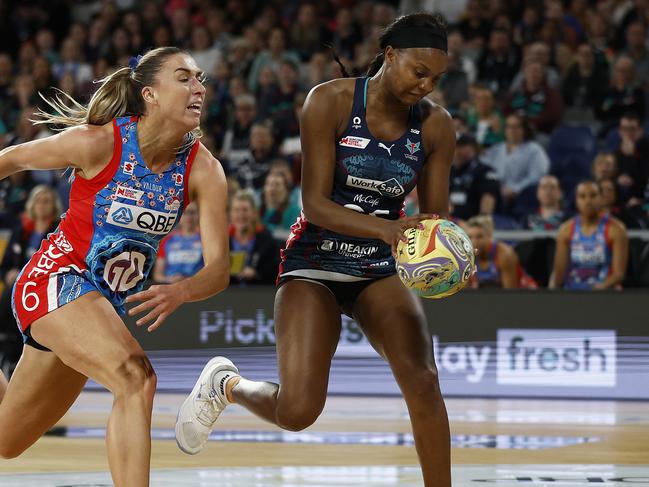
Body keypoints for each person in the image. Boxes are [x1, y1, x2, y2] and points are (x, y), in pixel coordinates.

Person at [176, 13, 454, 487]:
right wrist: (386, 230)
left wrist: (444, 254)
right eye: (419, 71)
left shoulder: (436, 127)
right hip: (315, 262)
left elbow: (432, 222)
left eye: (436, 78)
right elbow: (315, 203)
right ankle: (228, 385)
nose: (426, 85)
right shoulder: (329, 101)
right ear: (390, 56)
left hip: (379, 270)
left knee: (424, 382)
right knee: (299, 410)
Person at [0, 47, 230, 487]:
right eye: (184, 78)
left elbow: (218, 270)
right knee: (135, 379)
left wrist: (181, 290)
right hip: (53, 281)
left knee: (7, 442)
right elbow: (11, 159)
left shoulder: (203, 169)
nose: (199, 87)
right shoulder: (100, 141)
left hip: (99, 306)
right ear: (150, 95)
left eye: (200, 79)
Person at [551, 181, 628, 290]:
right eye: (582, 196)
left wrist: (596, 290)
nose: (588, 201)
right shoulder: (566, 230)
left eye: (593, 195)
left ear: (601, 198)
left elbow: (619, 274)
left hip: (604, 293)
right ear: (576, 200)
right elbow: (559, 271)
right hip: (571, 293)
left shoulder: (616, 229)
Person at [228, 189, 279, 285]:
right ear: (231, 214)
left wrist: (256, 273)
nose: (240, 215)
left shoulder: (267, 240)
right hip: (228, 296)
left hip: (258, 294)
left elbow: (274, 271)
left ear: (254, 213)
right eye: (236, 210)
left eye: (245, 210)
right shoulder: (223, 241)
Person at [466, 215, 530, 288]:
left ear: (489, 236)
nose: (474, 242)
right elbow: (466, 292)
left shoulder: (505, 255)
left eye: (479, 236)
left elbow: (510, 294)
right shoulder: (466, 256)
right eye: (470, 237)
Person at [153, 203, 203, 284]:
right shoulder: (167, 240)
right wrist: (169, 280)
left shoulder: (205, 240)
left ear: (198, 214)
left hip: (196, 288)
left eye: (192, 212)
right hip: (170, 287)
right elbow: (158, 275)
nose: (188, 217)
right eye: (185, 213)